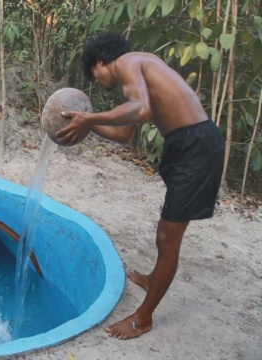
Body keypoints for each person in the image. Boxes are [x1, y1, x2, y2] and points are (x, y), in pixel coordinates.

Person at [57, 31, 225, 340]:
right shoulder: (137, 76)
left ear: (100, 62)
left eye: (94, 75)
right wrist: (87, 128)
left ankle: (143, 318)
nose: (97, 80)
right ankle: (153, 278)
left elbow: (142, 110)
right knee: (167, 233)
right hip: (186, 145)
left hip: (197, 147)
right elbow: (124, 135)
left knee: (167, 237)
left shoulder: (129, 61)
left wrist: (90, 117)